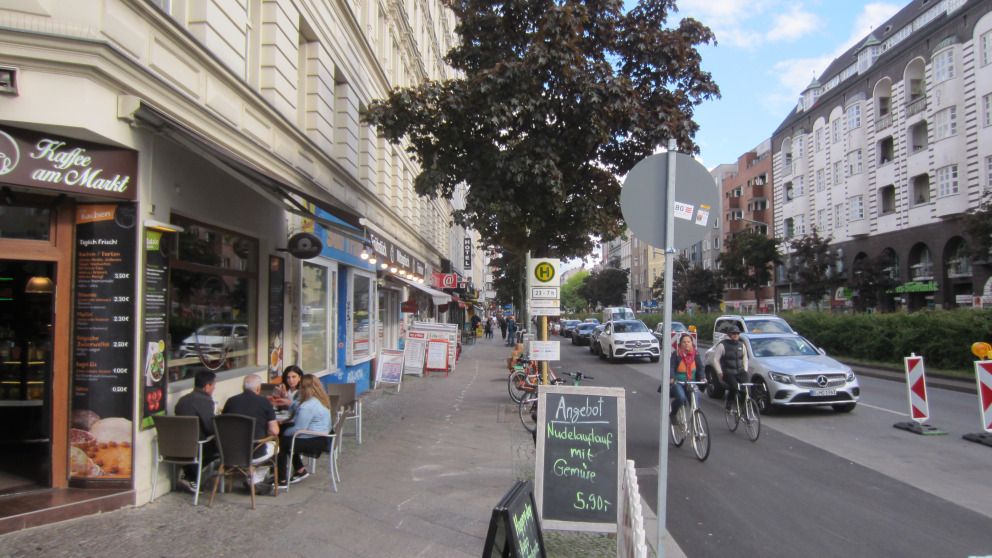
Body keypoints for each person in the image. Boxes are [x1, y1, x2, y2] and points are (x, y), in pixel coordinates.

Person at [222, 374, 279, 493]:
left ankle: (252, 480)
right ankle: (255, 481)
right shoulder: (264, 402)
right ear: (258, 388)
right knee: (275, 446)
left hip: (231, 453)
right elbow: (274, 431)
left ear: (243, 387)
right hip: (255, 452)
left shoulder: (230, 401)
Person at [277, 374, 332, 488]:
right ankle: (300, 469)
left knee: (281, 442)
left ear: (305, 388)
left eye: (301, 386)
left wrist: (284, 433)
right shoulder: (319, 400)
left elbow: (298, 429)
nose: (299, 389)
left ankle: (281, 479)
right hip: (322, 437)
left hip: (313, 440)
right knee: (288, 439)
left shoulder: (307, 406)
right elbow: (301, 408)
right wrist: (290, 403)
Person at [174, 370, 218, 493]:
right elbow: (210, 428)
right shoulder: (205, 400)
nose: (214, 387)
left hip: (176, 446)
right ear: (207, 386)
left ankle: (188, 472)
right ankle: (189, 473)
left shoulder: (182, 400)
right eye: (213, 384)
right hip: (196, 446)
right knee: (222, 445)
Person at [668, 334, 705, 423]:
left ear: (692, 343)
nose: (686, 344)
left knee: (695, 405)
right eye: (684, 342)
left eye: (688, 342)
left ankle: (696, 428)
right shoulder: (676, 353)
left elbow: (700, 367)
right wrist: (671, 377)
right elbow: (671, 367)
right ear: (680, 344)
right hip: (679, 382)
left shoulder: (695, 353)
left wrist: (702, 378)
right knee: (681, 398)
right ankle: (673, 413)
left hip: (691, 382)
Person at [710, 325, 749, 410]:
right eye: (734, 333)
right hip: (728, 372)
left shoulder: (741, 345)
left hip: (740, 371)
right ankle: (729, 401)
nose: (736, 335)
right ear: (729, 334)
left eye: (738, 333)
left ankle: (744, 409)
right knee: (734, 387)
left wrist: (745, 370)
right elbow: (716, 359)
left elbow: (745, 358)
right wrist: (720, 372)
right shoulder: (722, 345)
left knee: (746, 389)